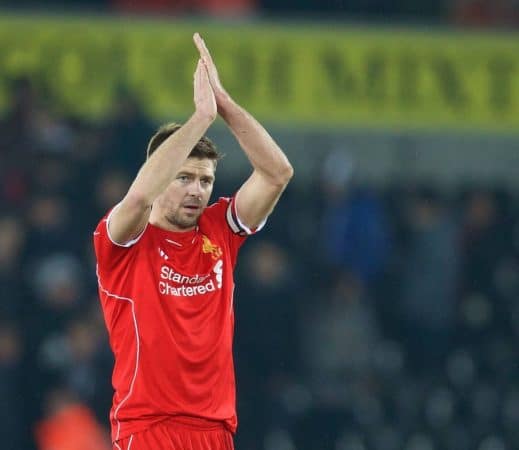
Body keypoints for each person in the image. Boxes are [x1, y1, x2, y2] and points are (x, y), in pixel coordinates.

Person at [93, 33, 293, 450]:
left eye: (205, 180)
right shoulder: (123, 239)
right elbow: (140, 197)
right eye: (183, 177)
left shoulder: (219, 230)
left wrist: (223, 106)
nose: (196, 191)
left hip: (215, 431)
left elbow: (277, 174)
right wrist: (199, 118)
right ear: (162, 173)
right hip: (148, 429)